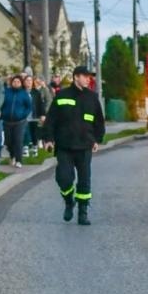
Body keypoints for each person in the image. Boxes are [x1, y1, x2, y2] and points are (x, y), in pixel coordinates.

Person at [42, 64, 106, 225]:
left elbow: (99, 121)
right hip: (64, 146)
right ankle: (69, 201)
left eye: (89, 77)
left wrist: (97, 139)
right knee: (64, 178)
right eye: (85, 76)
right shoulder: (62, 95)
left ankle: (82, 213)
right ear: (76, 77)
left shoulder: (92, 97)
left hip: (85, 145)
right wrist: (48, 139)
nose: (88, 79)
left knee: (84, 180)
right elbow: (51, 120)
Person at [0, 74, 33, 167]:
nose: (16, 83)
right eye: (14, 81)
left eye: (18, 82)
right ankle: (12, 156)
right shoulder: (6, 92)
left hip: (20, 121)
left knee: (18, 140)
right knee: (9, 141)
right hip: (7, 121)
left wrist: (23, 115)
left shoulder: (24, 93)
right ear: (11, 83)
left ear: (21, 83)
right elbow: (2, 104)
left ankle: (19, 160)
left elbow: (29, 106)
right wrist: (2, 114)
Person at [27, 73, 50, 154]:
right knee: (32, 129)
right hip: (33, 112)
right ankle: (34, 144)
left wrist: (45, 113)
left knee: (39, 128)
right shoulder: (32, 90)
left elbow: (48, 101)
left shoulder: (44, 89)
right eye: (36, 80)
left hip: (41, 112)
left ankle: (40, 141)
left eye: (38, 80)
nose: (37, 81)